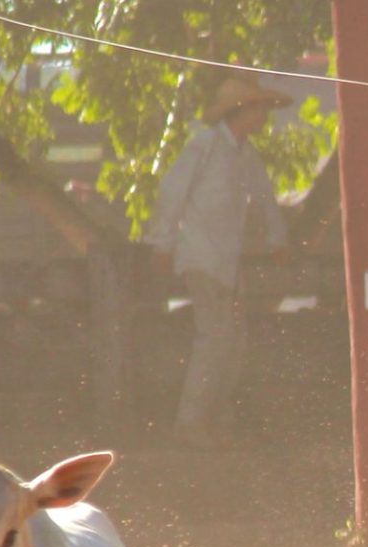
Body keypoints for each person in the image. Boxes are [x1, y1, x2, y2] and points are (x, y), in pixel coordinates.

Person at [147, 72, 290, 448]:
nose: (265, 116)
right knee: (214, 338)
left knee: (234, 342)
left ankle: (216, 419)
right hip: (201, 256)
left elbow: (266, 199)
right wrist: (161, 243)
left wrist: (278, 239)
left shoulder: (246, 155)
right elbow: (171, 193)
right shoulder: (205, 146)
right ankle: (191, 423)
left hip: (227, 261)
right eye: (261, 109)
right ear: (244, 110)